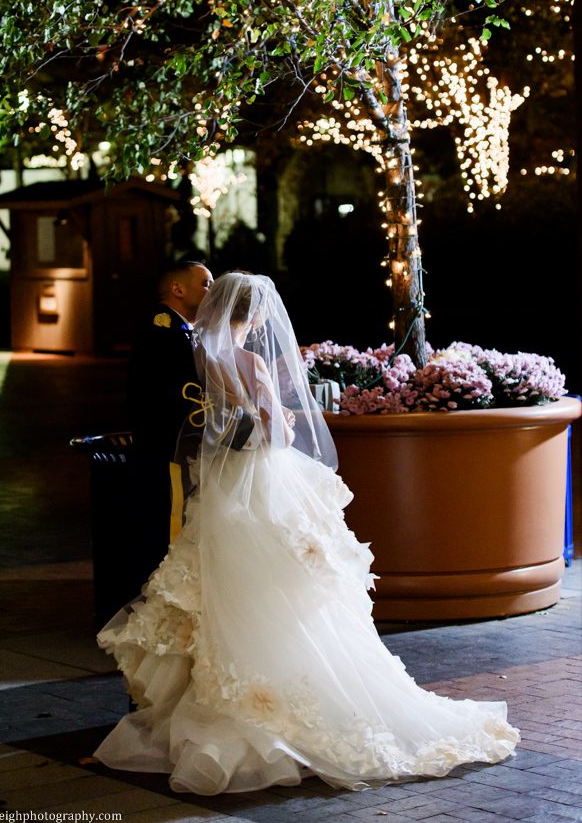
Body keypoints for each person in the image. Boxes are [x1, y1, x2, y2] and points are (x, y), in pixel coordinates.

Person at [96, 273, 519, 795]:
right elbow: (274, 431)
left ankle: (225, 699)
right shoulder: (248, 361)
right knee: (290, 590)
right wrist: (289, 424)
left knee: (226, 591)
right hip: (265, 482)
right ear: (252, 318)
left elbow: (209, 425)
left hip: (223, 491)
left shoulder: (202, 357)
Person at [126, 261, 213, 578]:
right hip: (167, 447)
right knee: (169, 520)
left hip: (178, 446)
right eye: (206, 283)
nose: (212, 291)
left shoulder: (182, 331)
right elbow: (183, 396)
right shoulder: (163, 332)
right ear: (178, 289)